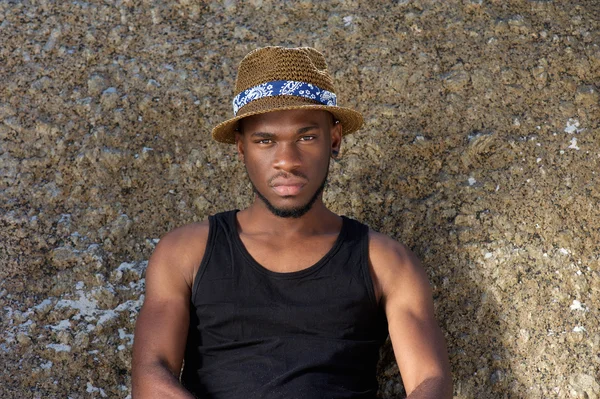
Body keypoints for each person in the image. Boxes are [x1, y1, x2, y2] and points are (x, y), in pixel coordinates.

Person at [132, 46, 452, 399]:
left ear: (334, 139)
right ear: (241, 147)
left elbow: (430, 381)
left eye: (306, 137)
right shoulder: (186, 252)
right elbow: (150, 374)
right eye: (265, 140)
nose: (287, 160)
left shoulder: (386, 261)